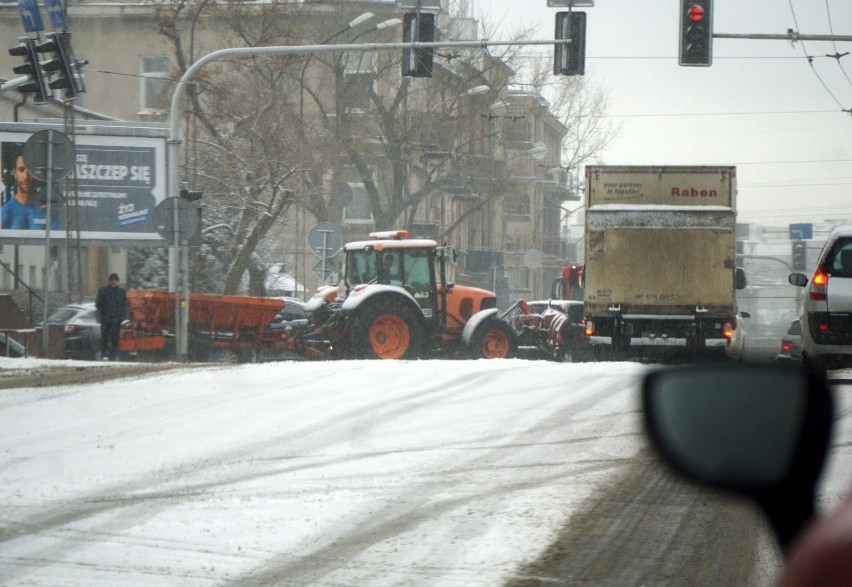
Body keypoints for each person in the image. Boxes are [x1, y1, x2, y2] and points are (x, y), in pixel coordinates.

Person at [95, 273, 128, 360]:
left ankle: (113, 354)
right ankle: (104, 354)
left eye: (115, 280)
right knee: (104, 337)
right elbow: (99, 304)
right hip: (105, 319)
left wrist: (122, 317)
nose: (113, 282)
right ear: (109, 281)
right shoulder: (103, 291)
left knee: (115, 338)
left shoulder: (121, 292)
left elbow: (124, 305)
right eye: (112, 280)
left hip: (116, 319)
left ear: (117, 281)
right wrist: (102, 315)